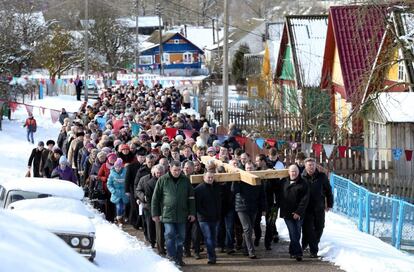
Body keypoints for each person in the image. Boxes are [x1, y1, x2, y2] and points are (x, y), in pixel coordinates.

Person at [151, 160, 196, 267]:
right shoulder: (163, 180)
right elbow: (155, 198)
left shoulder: (185, 180)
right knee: (170, 234)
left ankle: (179, 258)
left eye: (179, 170)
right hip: (167, 213)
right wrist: (155, 214)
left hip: (182, 214)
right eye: (175, 170)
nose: (177, 172)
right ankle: (171, 258)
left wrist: (192, 212)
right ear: (170, 169)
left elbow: (191, 197)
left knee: (181, 236)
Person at [231, 161, 266, 259]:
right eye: (247, 168)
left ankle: (246, 248)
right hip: (241, 207)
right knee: (247, 228)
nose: (249, 170)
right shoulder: (241, 178)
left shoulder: (258, 180)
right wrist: (235, 180)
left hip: (253, 207)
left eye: (251, 168)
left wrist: (263, 208)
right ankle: (251, 251)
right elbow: (234, 191)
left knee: (250, 229)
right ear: (245, 169)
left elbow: (262, 196)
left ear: (254, 169)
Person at [301, 157, 333, 258]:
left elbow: (328, 191)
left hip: (319, 207)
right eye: (309, 165)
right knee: (309, 229)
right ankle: (313, 250)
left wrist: (329, 204)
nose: (311, 167)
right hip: (306, 208)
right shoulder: (301, 177)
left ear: (316, 166)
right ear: (305, 166)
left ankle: (308, 243)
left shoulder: (322, 176)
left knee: (320, 227)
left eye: (313, 165)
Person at [280, 164, 309, 261]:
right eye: (292, 171)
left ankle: (292, 251)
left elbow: (305, 200)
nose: (294, 173)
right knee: (293, 233)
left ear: (299, 172)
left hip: (299, 213)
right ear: (288, 172)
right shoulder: (284, 182)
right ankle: (298, 253)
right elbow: (276, 191)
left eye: (296, 171)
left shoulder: (303, 183)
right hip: (287, 213)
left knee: (297, 233)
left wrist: (298, 212)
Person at [194, 171, 222, 265]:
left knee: (213, 238)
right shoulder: (199, 189)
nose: (210, 179)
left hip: (215, 217)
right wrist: (204, 214)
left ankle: (212, 254)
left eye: (212, 177)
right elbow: (197, 205)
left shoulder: (217, 187)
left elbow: (219, 202)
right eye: (208, 177)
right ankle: (211, 257)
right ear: (204, 178)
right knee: (208, 237)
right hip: (204, 218)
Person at [136, 164, 165, 249]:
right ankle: (151, 241)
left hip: (162, 207)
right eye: (157, 172)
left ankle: (160, 242)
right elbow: (138, 190)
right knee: (150, 225)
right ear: (153, 173)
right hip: (148, 206)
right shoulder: (145, 180)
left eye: (161, 172)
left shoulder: (165, 180)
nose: (159, 174)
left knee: (160, 227)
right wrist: (143, 198)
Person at [107, 158, 129, 226]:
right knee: (119, 207)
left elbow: (128, 182)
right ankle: (119, 219)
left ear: (121, 166)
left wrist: (127, 190)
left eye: (119, 167)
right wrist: (113, 191)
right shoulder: (112, 174)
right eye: (116, 167)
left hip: (124, 193)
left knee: (123, 207)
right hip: (116, 193)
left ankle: (121, 217)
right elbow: (109, 184)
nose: (118, 168)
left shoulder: (125, 173)